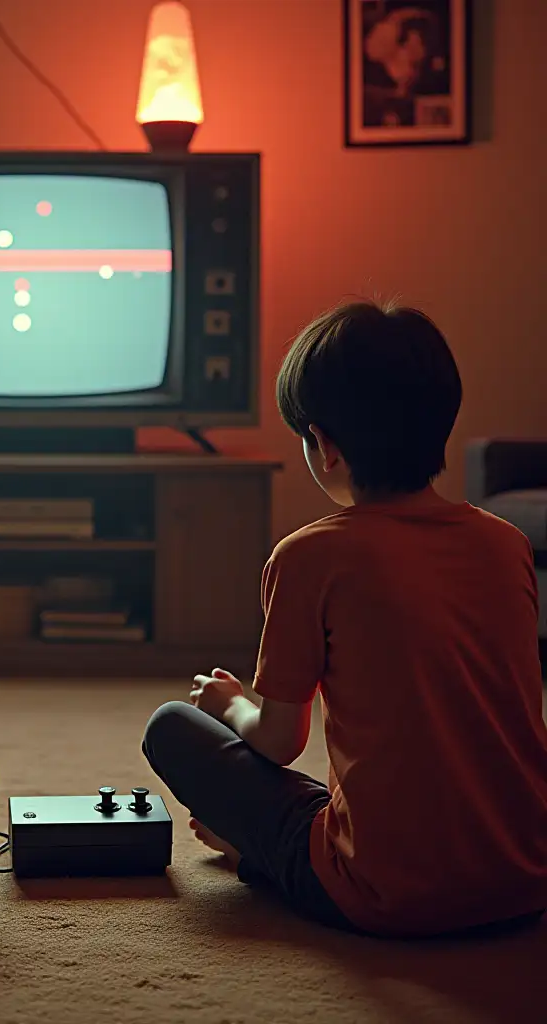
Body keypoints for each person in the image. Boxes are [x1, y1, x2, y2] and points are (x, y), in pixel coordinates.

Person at [143, 300, 547, 938]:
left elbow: (278, 740)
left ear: (324, 447)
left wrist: (229, 705)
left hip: (384, 893)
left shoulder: (309, 555)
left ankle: (259, 858)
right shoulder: (506, 544)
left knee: (172, 728)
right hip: (525, 877)